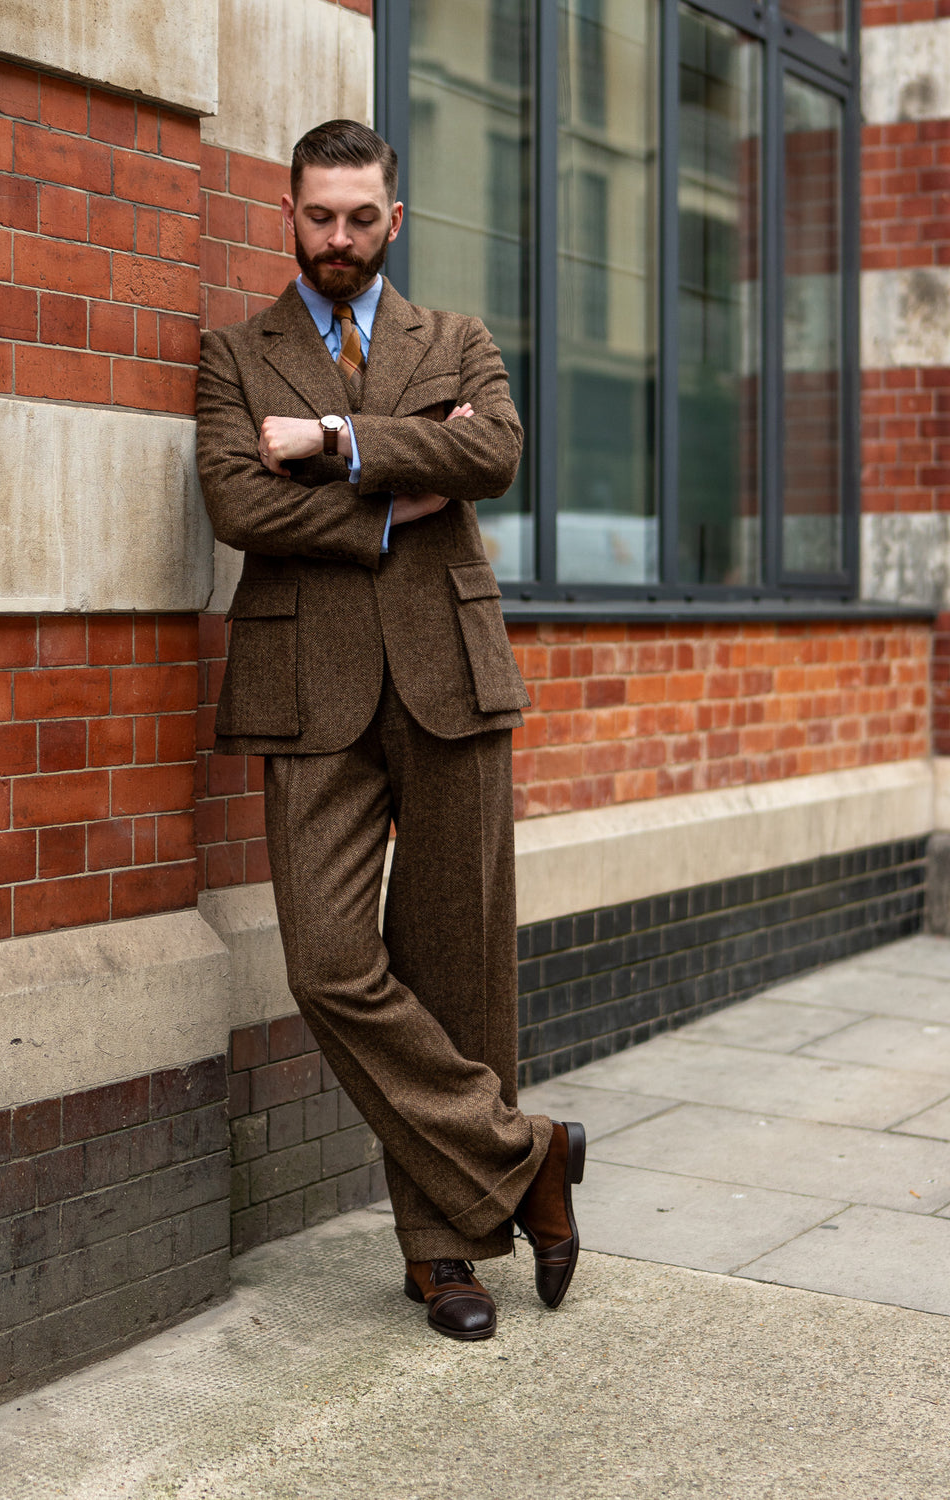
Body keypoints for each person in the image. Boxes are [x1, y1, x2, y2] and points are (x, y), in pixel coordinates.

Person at [195, 119, 585, 1342]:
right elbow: (234, 501)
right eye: (320, 217)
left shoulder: (455, 339)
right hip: (306, 690)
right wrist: (395, 503)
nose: (340, 242)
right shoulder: (233, 354)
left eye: (362, 219)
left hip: (450, 680)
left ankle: (446, 1258)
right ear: (288, 212)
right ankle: (529, 1157)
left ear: (393, 222)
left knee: (458, 963)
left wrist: (335, 444)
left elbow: (498, 452)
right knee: (326, 963)